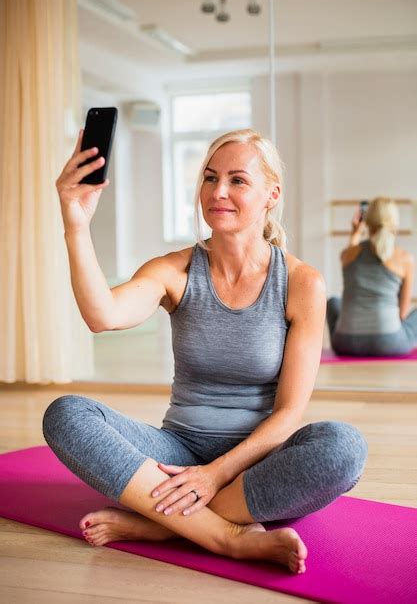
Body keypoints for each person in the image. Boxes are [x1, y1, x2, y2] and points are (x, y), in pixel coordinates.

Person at [43, 128, 368, 575]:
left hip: (256, 466)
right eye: (210, 178)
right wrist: (75, 222)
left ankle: (161, 524)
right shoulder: (174, 270)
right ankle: (226, 536)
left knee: (343, 448)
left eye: (238, 180)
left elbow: (290, 413)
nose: (219, 192)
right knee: (66, 414)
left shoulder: (301, 283)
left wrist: (214, 475)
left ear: (272, 194)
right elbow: (103, 316)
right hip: (174, 455)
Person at [327, 197, 417, 356]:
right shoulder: (405, 259)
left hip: (345, 343)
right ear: (394, 223)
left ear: (367, 222)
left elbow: (350, 252)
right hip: (388, 343)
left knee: (334, 302)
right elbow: (402, 314)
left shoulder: (349, 254)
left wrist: (355, 232)